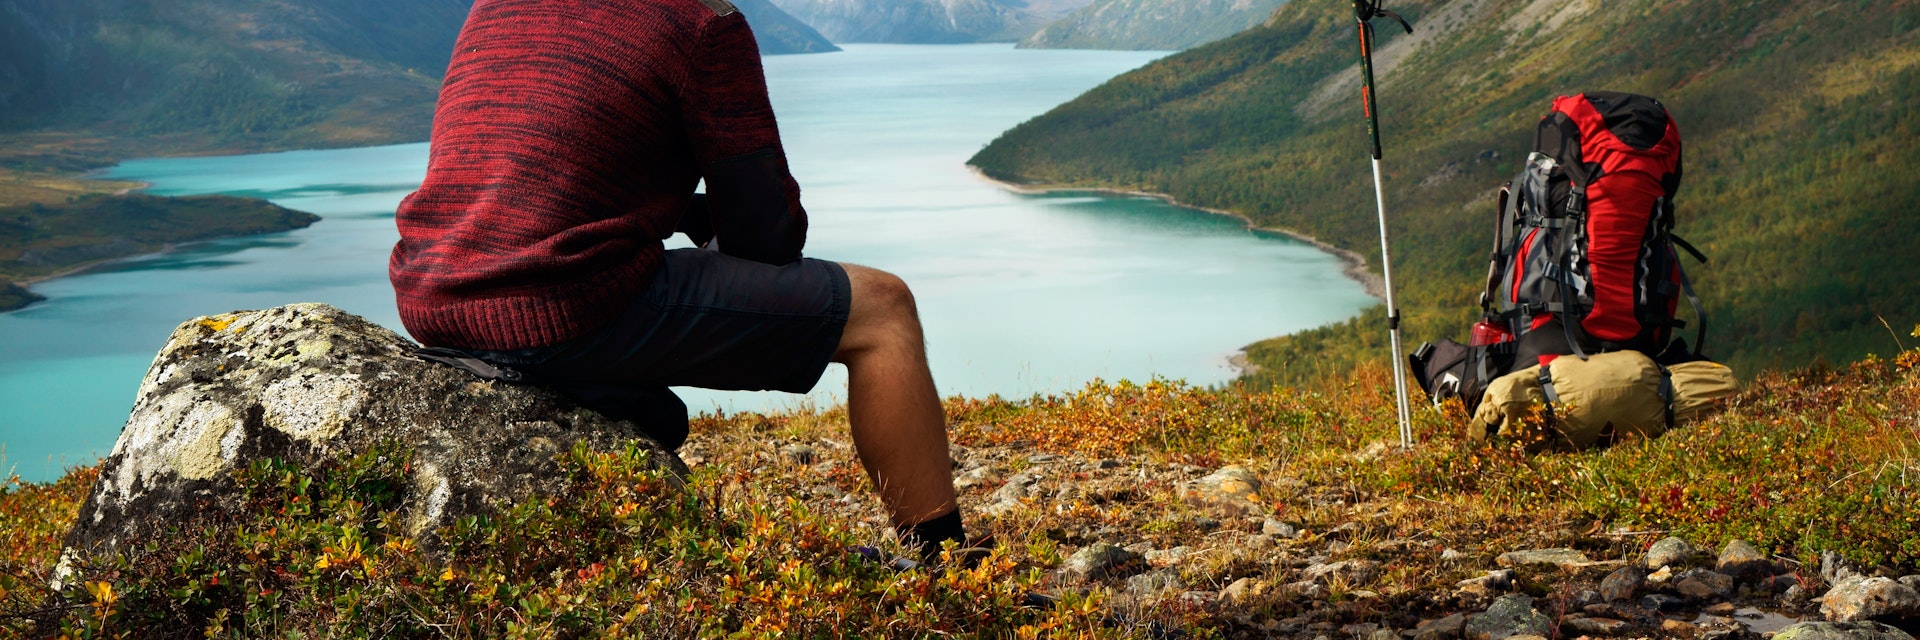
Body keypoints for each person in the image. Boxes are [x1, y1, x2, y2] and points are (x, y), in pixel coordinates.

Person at [388, 0, 970, 561]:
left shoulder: (498, 3)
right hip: (561, 300)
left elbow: (529, 176)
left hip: (433, 294)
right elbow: (765, 237)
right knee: (883, 312)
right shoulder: (702, 21)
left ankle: (592, 388)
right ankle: (947, 566)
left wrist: (672, 211)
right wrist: (713, 224)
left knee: (646, 383)